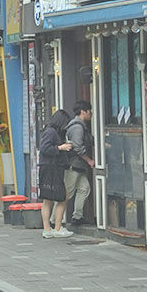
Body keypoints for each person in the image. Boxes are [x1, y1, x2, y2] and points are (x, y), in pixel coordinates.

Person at [37, 109, 75, 238]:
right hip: (51, 168)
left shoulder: (53, 132)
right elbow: (44, 148)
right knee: (61, 197)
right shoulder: (51, 132)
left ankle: (47, 229)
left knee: (48, 199)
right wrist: (61, 147)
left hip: (48, 167)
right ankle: (57, 228)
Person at [64, 100, 95, 229]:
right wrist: (89, 160)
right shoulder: (77, 127)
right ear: (83, 112)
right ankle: (54, 221)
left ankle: (77, 217)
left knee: (84, 188)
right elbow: (78, 147)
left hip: (78, 166)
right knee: (67, 194)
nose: (91, 113)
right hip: (73, 165)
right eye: (89, 111)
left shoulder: (80, 126)